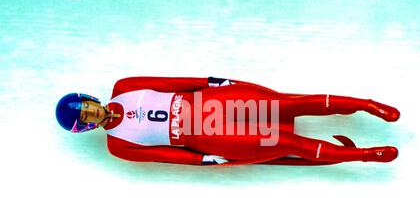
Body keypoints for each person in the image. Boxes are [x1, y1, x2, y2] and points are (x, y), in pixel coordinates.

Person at [55, 76, 400, 166]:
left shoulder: (124, 86)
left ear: (90, 99)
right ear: (86, 125)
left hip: (209, 102)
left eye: (87, 106)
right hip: (207, 138)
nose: (92, 112)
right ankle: (365, 155)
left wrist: (215, 82)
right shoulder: (119, 146)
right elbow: (165, 155)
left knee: (286, 106)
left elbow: (174, 83)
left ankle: (367, 104)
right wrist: (206, 160)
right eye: (86, 117)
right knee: (284, 143)